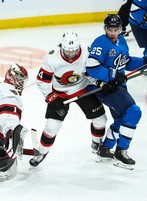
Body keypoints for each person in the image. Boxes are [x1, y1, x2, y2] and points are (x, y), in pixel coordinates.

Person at [86, 14, 147, 170]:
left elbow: (125, 62)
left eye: (116, 29)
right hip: (104, 87)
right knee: (133, 112)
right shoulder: (100, 43)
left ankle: (105, 149)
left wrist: (146, 62)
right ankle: (121, 151)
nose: (113, 32)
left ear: (121, 29)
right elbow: (92, 68)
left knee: (122, 119)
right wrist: (112, 75)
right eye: (110, 29)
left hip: (117, 85)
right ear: (105, 29)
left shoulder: (121, 40)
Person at [29, 32, 107, 167]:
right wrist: (51, 97)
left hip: (83, 89)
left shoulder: (86, 52)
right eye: (67, 51)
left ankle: (97, 143)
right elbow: (42, 81)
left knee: (101, 119)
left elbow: (91, 72)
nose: (71, 54)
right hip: (60, 94)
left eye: (74, 51)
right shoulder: (52, 58)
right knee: (52, 127)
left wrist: (98, 83)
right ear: (61, 47)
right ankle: (42, 152)